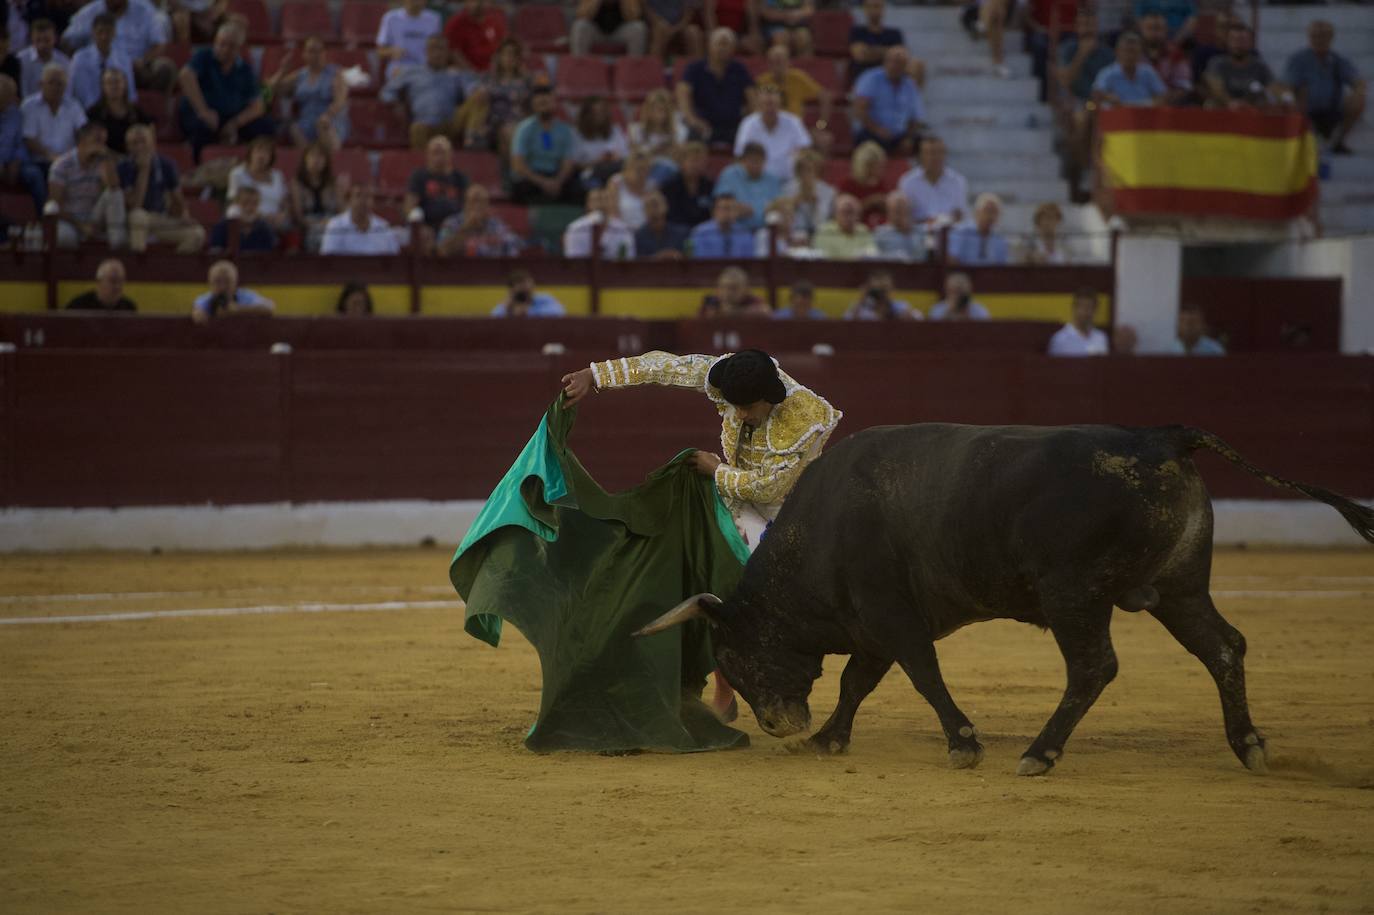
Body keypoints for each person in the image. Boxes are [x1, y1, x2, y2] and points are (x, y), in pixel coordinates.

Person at [560, 347, 844, 715]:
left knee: (737, 589)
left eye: (748, 408)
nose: (739, 414)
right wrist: (595, 375)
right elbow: (666, 366)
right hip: (734, 502)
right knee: (687, 562)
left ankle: (742, 681)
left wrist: (716, 470)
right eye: (734, 405)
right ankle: (715, 677)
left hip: (791, 516)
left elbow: (767, 489)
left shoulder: (804, 417)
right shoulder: (730, 376)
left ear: (769, 399)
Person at [176, 23, 274, 161]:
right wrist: (203, 111)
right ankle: (197, 165)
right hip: (201, 112)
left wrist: (235, 123)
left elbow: (258, 105)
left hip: (231, 118)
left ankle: (252, 166)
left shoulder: (245, 70)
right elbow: (185, 76)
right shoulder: (204, 57)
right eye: (221, 44)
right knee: (202, 127)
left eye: (231, 46)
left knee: (265, 126)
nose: (225, 49)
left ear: (239, 48)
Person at [1284, 20, 1365, 155]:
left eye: (1323, 36)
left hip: (1333, 108)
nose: (1319, 40)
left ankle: (1337, 141)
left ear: (1330, 38)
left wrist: (1358, 91)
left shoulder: (1338, 60)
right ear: (1309, 38)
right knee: (1293, 95)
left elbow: (1357, 81)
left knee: (1358, 100)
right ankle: (1303, 138)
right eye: (1315, 36)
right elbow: (1286, 85)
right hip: (1306, 109)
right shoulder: (1298, 60)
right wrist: (1290, 97)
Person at [120, 124, 205, 252]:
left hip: (160, 218)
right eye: (134, 143)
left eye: (143, 141)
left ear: (152, 143)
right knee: (138, 217)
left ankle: (173, 268)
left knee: (197, 234)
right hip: (133, 219)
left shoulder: (166, 165)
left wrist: (182, 215)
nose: (139, 147)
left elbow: (178, 202)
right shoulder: (124, 167)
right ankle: (138, 268)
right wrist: (144, 170)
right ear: (128, 147)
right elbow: (134, 205)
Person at [380, 34, 469, 151]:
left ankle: (475, 144)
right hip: (423, 123)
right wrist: (396, 103)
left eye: (441, 49)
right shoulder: (411, 72)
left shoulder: (455, 76)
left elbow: (472, 93)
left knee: (480, 97)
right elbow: (386, 92)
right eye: (433, 48)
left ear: (448, 53)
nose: (437, 53)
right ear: (426, 51)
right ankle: (422, 165)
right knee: (417, 129)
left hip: (450, 124)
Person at [61, 0, 175, 92]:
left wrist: (143, 61)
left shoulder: (144, 9)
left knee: (165, 68)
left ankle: (152, 110)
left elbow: (159, 44)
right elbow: (66, 41)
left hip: (136, 66)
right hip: (101, 66)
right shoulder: (90, 12)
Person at [48, 121, 126, 248]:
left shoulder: (103, 161)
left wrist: (107, 159)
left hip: (95, 216)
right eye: (97, 140)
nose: (101, 146)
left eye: (103, 141)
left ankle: (117, 248)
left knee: (116, 194)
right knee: (65, 238)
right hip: (70, 219)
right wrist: (81, 225)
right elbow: (56, 205)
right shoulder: (61, 165)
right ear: (82, 141)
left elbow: (113, 188)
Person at [457, 37, 537, 154]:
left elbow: (534, 105)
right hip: (494, 123)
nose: (510, 58)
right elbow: (476, 96)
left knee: (516, 131)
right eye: (507, 54)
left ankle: (515, 168)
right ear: (499, 57)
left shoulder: (527, 80)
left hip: (519, 122)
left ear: (519, 59)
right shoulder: (489, 79)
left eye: (514, 54)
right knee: (506, 131)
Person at [677, 27, 755, 145]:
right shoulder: (694, 69)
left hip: (733, 126)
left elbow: (752, 98)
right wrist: (693, 121)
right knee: (692, 142)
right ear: (709, 45)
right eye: (719, 44)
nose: (722, 48)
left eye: (727, 44)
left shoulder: (740, 70)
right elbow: (682, 96)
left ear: (733, 49)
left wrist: (748, 123)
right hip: (703, 125)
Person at [270, 36, 350, 150]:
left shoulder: (335, 74)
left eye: (319, 51)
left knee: (323, 126)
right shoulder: (300, 75)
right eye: (311, 51)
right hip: (306, 121)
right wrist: (282, 71)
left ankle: (331, 161)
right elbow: (270, 91)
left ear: (325, 53)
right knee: (294, 128)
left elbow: (340, 101)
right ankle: (307, 161)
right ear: (304, 54)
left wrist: (328, 115)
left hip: (331, 119)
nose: (316, 55)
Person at [510, 85, 581, 205]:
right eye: (540, 104)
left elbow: (568, 162)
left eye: (547, 103)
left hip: (555, 175)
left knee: (578, 188)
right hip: (532, 177)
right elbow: (518, 164)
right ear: (533, 105)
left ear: (554, 103)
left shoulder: (564, 130)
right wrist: (543, 182)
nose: (544, 107)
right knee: (520, 189)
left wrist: (558, 181)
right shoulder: (524, 129)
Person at [852, 45, 925, 154]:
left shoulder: (910, 85)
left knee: (925, 145)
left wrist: (908, 137)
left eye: (900, 63)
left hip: (900, 135)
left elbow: (916, 117)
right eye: (894, 62)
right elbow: (860, 110)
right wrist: (877, 130)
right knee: (870, 142)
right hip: (872, 131)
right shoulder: (870, 79)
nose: (896, 66)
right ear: (885, 61)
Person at [733, 83, 810, 182]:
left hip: (789, 181)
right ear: (759, 104)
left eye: (773, 104)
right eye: (766, 104)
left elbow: (806, 151)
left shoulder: (794, 122)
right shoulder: (748, 124)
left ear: (780, 103)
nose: (770, 108)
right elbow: (740, 156)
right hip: (757, 181)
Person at [1203, 22, 1279, 109]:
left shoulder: (1260, 66)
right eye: (1234, 40)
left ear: (1251, 43)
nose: (1238, 44)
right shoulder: (1217, 63)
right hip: (1223, 110)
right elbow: (1215, 87)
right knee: (1210, 103)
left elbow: (1273, 87)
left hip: (1252, 111)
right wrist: (1230, 102)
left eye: (1242, 40)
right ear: (1227, 42)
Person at [402, 135, 469, 234]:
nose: (439, 157)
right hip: (427, 226)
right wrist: (421, 227)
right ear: (427, 155)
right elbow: (409, 207)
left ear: (450, 154)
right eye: (435, 153)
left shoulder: (460, 178)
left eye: (443, 152)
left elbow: (467, 206)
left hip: (454, 228)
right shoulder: (419, 177)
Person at [68, 13, 136, 108]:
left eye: (108, 32)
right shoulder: (80, 58)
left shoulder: (123, 58)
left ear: (114, 33)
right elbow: (80, 92)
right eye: (100, 32)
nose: (104, 37)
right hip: (87, 110)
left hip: (116, 110)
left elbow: (130, 93)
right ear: (93, 33)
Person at [22, 63, 84, 167]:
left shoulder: (74, 105)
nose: (55, 87)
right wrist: (50, 156)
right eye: (51, 82)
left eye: (60, 84)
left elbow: (83, 131)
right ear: (41, 84)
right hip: (39, 161)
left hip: (69, 162)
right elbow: (29, 139)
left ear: (66, 86)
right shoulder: (29, 106)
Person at [436, 184, 522, 257]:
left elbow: (515, 247)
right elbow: (442, 251)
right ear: (465, 203)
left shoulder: (496, 225)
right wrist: (466, 229)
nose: (477, 206)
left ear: (487, 205)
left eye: (481, 201)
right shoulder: (451, 223)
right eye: (473, 201)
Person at [226, 136, 291, 232]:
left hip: (275, 218)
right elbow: (234, 200)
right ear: (250, 154)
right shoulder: (237, 174)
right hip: (248, 214)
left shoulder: (277, 175)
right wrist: (261, 216)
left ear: (271, 157)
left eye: (266, 152)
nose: (261, 156)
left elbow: (285, 202)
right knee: (234, 212)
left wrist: (283, 215)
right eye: (258, 151)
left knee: (287, 223)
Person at [897, 136, 967, 224]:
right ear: (921, 156)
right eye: (930, 153)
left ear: (945, 154)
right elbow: (903, 216)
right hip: (918, 233)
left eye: (939, 152)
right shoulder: (908, 182)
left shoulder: (957, 181)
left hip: (949, 232)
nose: (934, 157)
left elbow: (960, 214)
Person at [713, 141, 781, 232]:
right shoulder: (730, 175)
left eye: (759, 161)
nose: (756, 165)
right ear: (743, 160)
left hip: (766, 231)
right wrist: (736, 208)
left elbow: (779, 205)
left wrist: (773, 208)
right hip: (735, 230)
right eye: (752, 161)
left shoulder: (772, 179)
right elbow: (720, 203)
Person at [1, 74, 46, 208]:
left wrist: (17, 160)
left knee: (34, 174)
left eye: (11, 96)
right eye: (6, 98)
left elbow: (21, 143)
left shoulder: (16, 113)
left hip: (14, 162)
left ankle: (42, 218)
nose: (12, 101)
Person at [291, 140, 342, 252]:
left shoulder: (333, 183)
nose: (316, 160)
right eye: (312, 156)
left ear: (326, 161)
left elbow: (341, 209)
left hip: (331, 222)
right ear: (305, 159)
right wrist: (317, 224)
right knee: (317, 235)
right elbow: (298, 215)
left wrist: (331, 222)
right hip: (309, 223)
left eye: (320, 157)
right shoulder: (297, 183)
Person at [83, 67, 149, 154]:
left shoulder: (136, 112)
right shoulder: (93, 113)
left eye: (117, 82)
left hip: (132, 161)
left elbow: (148, 136)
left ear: (125, 84)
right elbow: (91, 143)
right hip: (103, 160)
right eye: (109, 83)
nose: (114, 86)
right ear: (103, 86)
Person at [321, 184, 402, 256]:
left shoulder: (383, 227)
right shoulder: (335, 226)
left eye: (367, 196)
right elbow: (328, 263)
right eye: (358, 195)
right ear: (349, 200)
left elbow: (395, 262)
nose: (363, 201)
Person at [1092, 32, 1167, 108]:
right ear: (1117, 52)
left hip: (1144, 114)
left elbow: (1163, 95)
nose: (1130, 56)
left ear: (1140, 53)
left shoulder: (1147, 71)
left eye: (1133, 51)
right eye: (1126, 51)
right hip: (1118, 115)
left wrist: (1154, 102)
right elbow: (1096, 94)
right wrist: (1108, 97)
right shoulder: (1107, 73)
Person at [572, 95, 630, 187]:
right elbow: (574, 163)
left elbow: (626, 156)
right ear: (586, 114)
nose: (599, 116)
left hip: (614, 171)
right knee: (593, 184)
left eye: (602, 112)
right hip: (590, 172)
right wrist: (598, 161)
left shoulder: (615, 131)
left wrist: (614, 157)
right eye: (595, 113)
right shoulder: (577, 134)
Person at [376, 0, 443, 80]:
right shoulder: (390, 18)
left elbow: (440, 50)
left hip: (426, 71)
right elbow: (380, 52)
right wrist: (392, 51)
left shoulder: (434, 19)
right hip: (399, 70)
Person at [192, 259, 274, 323]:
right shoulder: (207, 299)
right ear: (210, 283)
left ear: (235, 283)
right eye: (217, 281)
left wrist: (237, 310)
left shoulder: (244, 296)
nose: (222, 287)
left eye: (227, 281)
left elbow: (269, 307)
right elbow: (198, 312)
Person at [562, 187, 636, 259]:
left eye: (606, 199)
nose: (601, 204)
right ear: (588, 204)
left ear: (612, 203)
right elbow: (574, 262)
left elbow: (628, 261)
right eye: (597, 200)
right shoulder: (576, 229)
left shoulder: (623, 229)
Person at [1139, 10, 1193, 106]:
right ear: (1142, 29)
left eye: (1158, 28)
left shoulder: (1176, 55)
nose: (1154, 33)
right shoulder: (1132, 54)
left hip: (1169, 107)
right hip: (1136, 105)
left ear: (1166, 30)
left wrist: (1163, 101)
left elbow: (1183, 86)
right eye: (1150, 28)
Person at [837, 140, 892, 228]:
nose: (882, 170)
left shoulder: (880, 183)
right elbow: (843, 212)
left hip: (880, 228)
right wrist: (869, 202)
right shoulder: (848, 184)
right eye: (878, 166)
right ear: (866, 166)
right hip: (855, 228)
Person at [781, 148, 833, 239]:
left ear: (817, 171)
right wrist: (794, 204)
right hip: (794, 235)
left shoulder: (827, 191)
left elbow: (823, 222)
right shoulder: (787, 189)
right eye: (802, 170)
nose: (805, 174)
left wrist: (816, 204)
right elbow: (783, 221)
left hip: (819, 235)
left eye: (810, 170)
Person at [659, 139, 713, 227]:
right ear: (682, 162)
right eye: (692, 160)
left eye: (700, 160)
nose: (696, 165)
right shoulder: (669, 187)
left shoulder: (710, 186)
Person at [946, 192, 1009, 265]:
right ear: (977, 212)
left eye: (995, 212)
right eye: (987, 210)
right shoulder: (961, 232)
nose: (990, 215)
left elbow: (1002, 265)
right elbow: (952, 259)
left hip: (991, 275)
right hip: (964, 273)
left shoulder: (1000, 239)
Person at [209, 185, 277, 252]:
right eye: (245, 203)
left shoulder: (265, 228)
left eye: (255, 203)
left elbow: (271, 254)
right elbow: (215, 252)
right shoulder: (222, 226)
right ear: (236, 204)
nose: (250, 207)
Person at [444, 0, 507, 72]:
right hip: (465, 74)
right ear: (466, 2)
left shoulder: (495, 22)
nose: (479, 4)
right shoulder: (455, 24)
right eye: (475, 1)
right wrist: (472, 72)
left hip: (493, 74)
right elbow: (453, 52)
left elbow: (503, 47)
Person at [849, 0, 904, 81]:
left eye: (876, 6)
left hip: (892, 74)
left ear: (883, 8)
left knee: (916, 66)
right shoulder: (857, 32)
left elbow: (901, 56)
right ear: (865, 9)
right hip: (864, 76)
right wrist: (890, 52)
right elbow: (860, 55)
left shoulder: (895, 33)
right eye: (870, 6)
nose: (873, 10)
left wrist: (870, 51)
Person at [571, 0, 648, 57]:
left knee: (638, 27)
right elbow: (581, 15)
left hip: (619, 33)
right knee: (580, 25)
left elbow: (634, 16)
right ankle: (580, 66)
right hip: (597, 33)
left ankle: (633, 69)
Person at [813, 193, 876, 260]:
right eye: (844, 212)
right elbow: (823, 258)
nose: (849, 217)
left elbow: (872, 253)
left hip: (859, 269)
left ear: (858, 215)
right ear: (835, 214)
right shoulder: (825, 231)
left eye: (852, 212)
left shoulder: (863, 230)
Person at [688, 193, 753, 258]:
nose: (728, 213)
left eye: (733, 208)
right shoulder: (700, 233)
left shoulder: (744, 233)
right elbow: (697, 262)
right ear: (714, 211)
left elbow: (749, 262)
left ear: (737, 212)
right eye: (725, 208)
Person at [1047, 288, 1108, 356]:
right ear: (1074, 308)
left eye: (1090, 307)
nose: (1086, 312)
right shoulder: (1060, 339)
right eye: (1083, 307)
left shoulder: (1101, 338)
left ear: (1095, 310)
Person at [17, 19, 69, 98]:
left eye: (47, 40)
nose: (42, 45)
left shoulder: (63, 61)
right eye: (38, 40)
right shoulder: (21, 60)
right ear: (32, 39)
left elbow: (67, 90)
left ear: (55, 39)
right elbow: (22, 91)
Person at [844, 268, 918, 320]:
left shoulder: (901, 307)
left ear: (891, 289)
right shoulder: (860, 309)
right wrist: (861, 300)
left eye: (884, 289)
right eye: (877, 289)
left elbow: (920, 320)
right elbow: (845, 324)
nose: (881, 293)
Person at [872, 190, 926, 262]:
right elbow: (876, 258)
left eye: (904, 209)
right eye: (897, 210)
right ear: (889, 212)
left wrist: (908, 231)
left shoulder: (921, 232)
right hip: (892, 271)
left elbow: (926, 256)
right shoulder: (880, 234)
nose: (901, 213)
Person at [606, 149, 653, 230]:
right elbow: (612, 214)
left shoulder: (651, 186)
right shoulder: (616, 182)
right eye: (639, 169)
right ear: (628, 168)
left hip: (645, 234)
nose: (643, 173)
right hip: (621, 232)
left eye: (645, 169)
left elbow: (654, 215)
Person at [65, 257, 136, 310]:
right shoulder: (79, 307)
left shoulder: (129, 308)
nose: (117, 286)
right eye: (112, 281)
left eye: (121, 281)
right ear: (99, 282)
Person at [634, 190, 687, 259]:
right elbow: (637, 263)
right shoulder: (639, 237)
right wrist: (656, 257)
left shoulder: (681, 234)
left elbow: (688, 260)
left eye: (661, 217)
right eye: (654, 219)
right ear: (646, 214)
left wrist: (677, 255)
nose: (658, 222)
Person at [698, 265, 768, 317]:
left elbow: (765, 311)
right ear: (717, 289)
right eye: (724, 287)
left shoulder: (753, 300)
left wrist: (731, 313)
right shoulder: (711, 302)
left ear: (746, 289)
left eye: (734, 288)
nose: (728, 292)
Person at [493, 269, 565, 316]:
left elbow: (559, 313)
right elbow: (493, 318)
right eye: (521, 286)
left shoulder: (545, 299)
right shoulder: (507, 306)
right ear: (512, 290)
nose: (525, 289)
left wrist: (529, 312)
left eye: (527, 284)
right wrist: (507, 310)